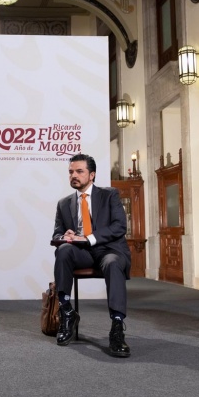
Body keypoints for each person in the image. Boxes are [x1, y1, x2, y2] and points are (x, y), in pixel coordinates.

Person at [52, 153, 131, 357]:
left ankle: (117, 326)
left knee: (113, 263)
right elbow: (56, 233)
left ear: (92, 175)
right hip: (82, 253)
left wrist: (89, 238)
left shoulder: (109, 194)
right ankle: (67, 311)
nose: (73, 176)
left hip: (109, 250)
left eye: (79, 171)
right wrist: (66, 235)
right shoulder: (63, 203)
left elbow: (119, 227)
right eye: (71, 172)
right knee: (63, 250)